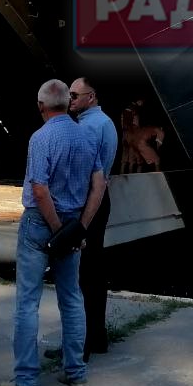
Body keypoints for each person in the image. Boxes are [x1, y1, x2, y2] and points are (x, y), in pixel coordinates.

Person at [0, 80, 106, 386]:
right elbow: (99, 185)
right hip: (73, 220)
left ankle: (27, 382)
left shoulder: (40, 138)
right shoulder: (87, 137)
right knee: (72, 298)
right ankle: (76, 373)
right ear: (67, 102)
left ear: (41, 106)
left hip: (39, 224)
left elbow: (40, 189)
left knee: (27, 302)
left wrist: (58, 229)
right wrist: (78, 230)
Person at [68, 77, 118, 360]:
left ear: (92, 96)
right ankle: (97, 336)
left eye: (75, 95)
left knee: (81, 272)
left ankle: (80, 343)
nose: (70, 99)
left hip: (88, 201)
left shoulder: (87, 127)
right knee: (94, 270)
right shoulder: (106, 123)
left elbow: (80, 170)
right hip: (101, 199)